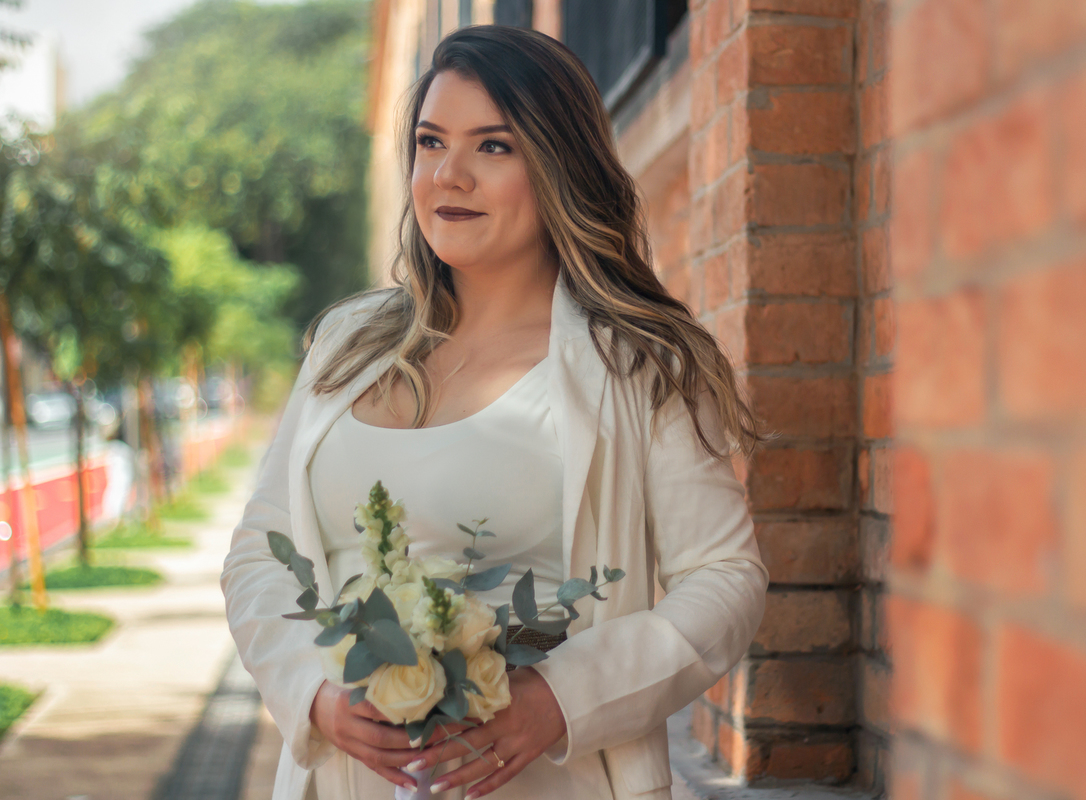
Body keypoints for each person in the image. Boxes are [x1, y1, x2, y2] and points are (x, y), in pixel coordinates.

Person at [221, 24, 768, 800]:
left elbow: (725, 579)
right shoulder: (347, 343)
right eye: (430, 141)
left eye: (494, 147)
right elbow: (258, 557)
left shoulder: (635, 364)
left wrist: (561, 699)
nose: (449, 175)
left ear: (558, 167)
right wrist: (315, 695)